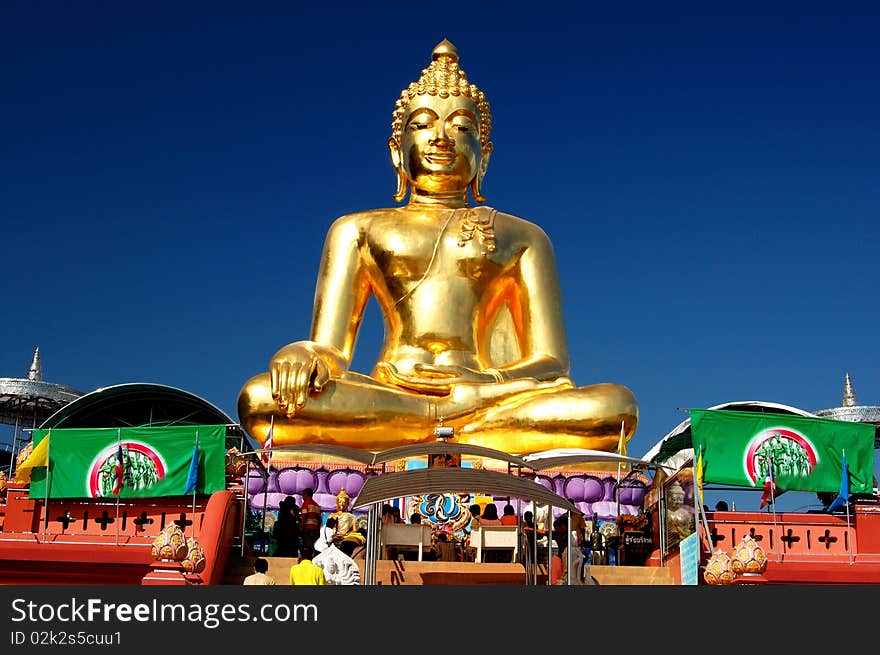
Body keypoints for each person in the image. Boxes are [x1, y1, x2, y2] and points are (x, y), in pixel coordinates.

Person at [237, 39, 638, 457]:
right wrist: (301, 353)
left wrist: (485, 385)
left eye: (462, 127)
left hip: (485, 393)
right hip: (393, 391)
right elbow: (331, 348)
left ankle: (438, 426)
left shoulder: (524, 237)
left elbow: (552, 362)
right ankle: (457, 429)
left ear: (484, 157)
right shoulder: (356, 229)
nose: (442, 138)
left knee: (615, 407)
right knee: (263, 398)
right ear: (397, 152)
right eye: (423, 124)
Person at [665, 481, 694, 545]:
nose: (677, 502)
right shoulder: (664, 512)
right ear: (667, 499)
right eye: (674, 499)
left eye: (680, 500)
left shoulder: (686, 513)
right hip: (669, 541)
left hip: (683, 540)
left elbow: (687, 529)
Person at [299, 487, 322, 553]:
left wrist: (301, 526)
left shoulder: (306, 504)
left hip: (307, 529)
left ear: (306, 495)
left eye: (303, 494)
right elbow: (319, 519)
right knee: (312, 546)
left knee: (307, 547)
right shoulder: (316, 505)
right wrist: (317, 529)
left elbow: (304, 516)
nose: (302, 497)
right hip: (315, 530)